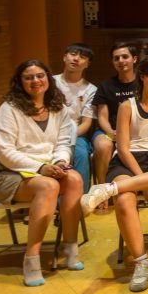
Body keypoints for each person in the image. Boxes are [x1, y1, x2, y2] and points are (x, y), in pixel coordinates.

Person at [80, 55, 148, 292]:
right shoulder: (126, 106)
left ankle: (107, 190)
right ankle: (141, 263)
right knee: (124, 200)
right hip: (128, 161)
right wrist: (143, 183)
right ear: (141, 77)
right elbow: (122, 148)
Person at [0, 60, 84, 286]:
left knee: (75, 179)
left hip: (44, 169)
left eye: (40, 76)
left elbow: (64, 142)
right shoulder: (9, 109)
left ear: (48, 78)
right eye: (28, 78)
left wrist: (60, 161)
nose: (35, 81)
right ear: (20, 83)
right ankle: (32, 258)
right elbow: (4, 151)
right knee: (48, 187)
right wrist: (40, 168)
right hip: (3, 172)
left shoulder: (59, 108)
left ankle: (70, 247)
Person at [92, 42, 139, 207]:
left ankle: (139, 187)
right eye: (116, 58)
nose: (121, 60)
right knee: (104, 146)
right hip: (109, 131)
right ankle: (102, 192)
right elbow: (102, 116)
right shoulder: (106, 86)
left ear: (134, 59)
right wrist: (112, 132)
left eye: (125, 56)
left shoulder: (143, 83)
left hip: (135, 132)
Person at [53, 43, 96, 192]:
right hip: (48, 133)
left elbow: (86, 122)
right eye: (72, 54)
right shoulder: (50, 83)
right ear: (65, 57)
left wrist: (67, 136)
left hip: (75, 134)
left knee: (81, 154)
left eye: (82, 57)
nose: (76, 59)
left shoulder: (91, 90)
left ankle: (79, 201)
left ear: (87, 64)